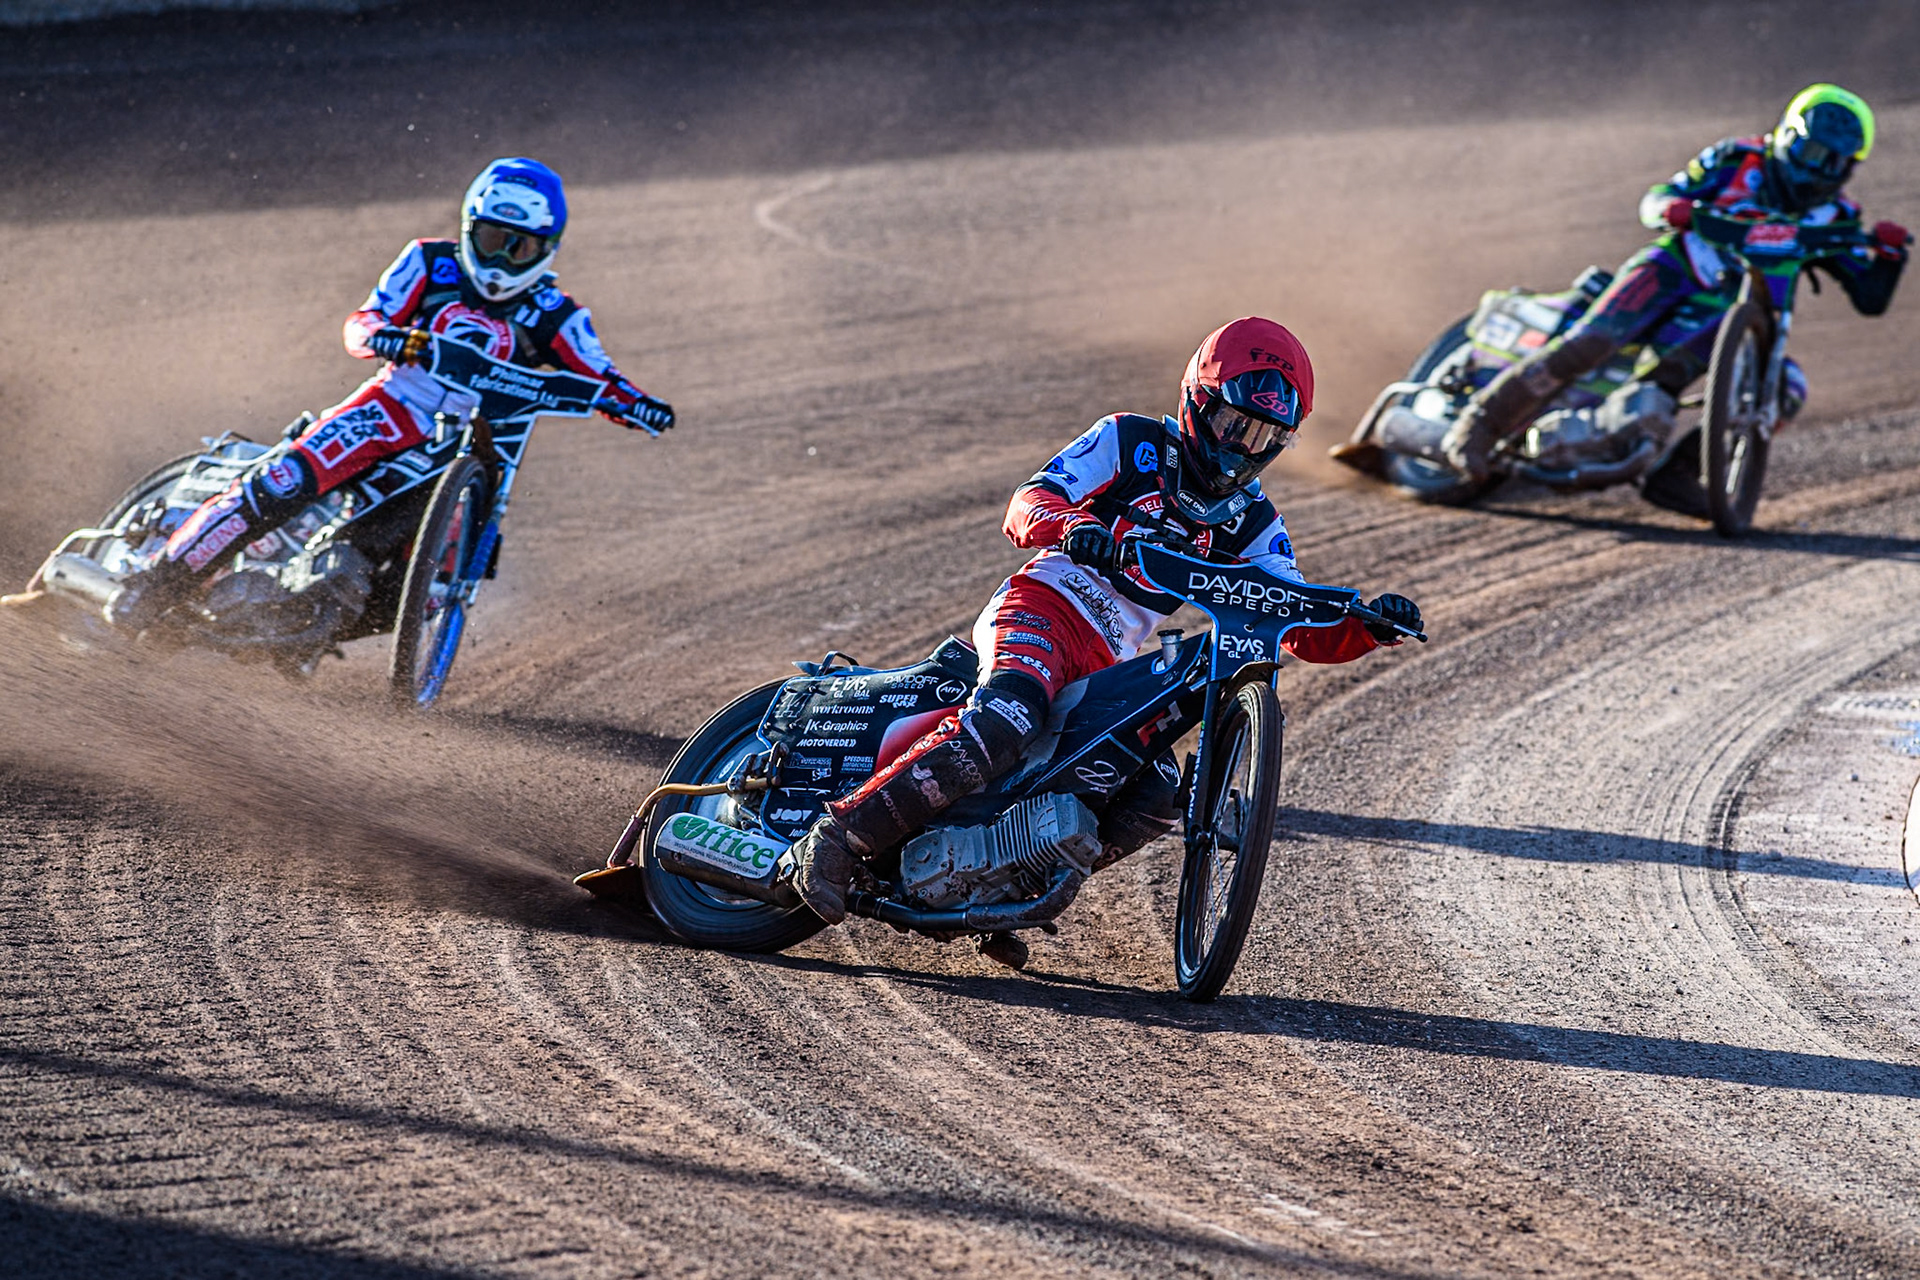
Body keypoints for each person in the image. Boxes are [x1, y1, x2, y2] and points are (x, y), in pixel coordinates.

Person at [788, 316, 1423, 925]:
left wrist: (1366, 628)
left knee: (1155, 795)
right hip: (1044, 608)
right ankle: (837, 836)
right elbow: (1028, 501)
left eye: (1261, 437)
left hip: (1110, 662)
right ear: (1197, 403)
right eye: (1233, 423)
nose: (1240, 449)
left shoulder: (1255, 522)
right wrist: (1075, 525)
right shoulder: (1130, 440)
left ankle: (999, 883)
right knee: (1005, 720)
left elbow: (1289, 614)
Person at [108, 157, 674, 628]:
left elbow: (604, 378)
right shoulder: (429, 263)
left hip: (476, 443)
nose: (501, 260)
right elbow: (362, 322)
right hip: (391, 408)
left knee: (423, 583)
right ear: (467, 227)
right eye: (491, 239)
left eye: (518, 248)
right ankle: (156, 584)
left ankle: (314, 614)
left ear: (547, 249)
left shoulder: (559, 315)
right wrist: (388, 337)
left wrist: (638, 406)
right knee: (282, 479)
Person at [1440, 83, 1910, 482]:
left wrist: (1888, 258)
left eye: (1835, 163)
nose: (1818, 171)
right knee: (1594, 339)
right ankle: (1479, 422)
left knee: (1783, 385)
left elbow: (1869, 298)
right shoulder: (1735, 159)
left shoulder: (1837, 217)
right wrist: (1671, 209)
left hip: (1723, 312)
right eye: (1811, 154)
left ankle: (1686, 478)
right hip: (1674, 266)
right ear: (1787, 137)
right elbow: (1659, 197)